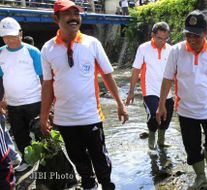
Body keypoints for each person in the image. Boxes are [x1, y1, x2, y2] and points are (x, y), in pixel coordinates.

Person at [40, 0, 128, 189]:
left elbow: (107, 75)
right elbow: (47, 85)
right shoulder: (47, 49)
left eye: (76, 14)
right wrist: (44, 115)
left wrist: (120, 104)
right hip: (64, 119)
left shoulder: (92, 43)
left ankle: (106, 184)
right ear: (56, 18)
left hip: (91, 116)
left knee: (100, 156)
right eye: (68, 14)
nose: (74, 18)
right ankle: (89, 183)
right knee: (77, 157)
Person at [156, 10, 207, 190]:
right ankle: (201, 177)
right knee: (191, 148)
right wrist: (161, 105)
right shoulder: (176, 51)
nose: (191, 39)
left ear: (205, 33)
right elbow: (167, 78)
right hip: (185, 110)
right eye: (188, 34)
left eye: (196, 35)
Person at [0, 17, 42, 172]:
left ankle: (45, 161)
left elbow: (44, 77)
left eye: (12, 36)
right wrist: (1, 100)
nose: (9, 40)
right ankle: (27, 160)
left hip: (34, 101)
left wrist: (48, 102)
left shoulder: (32, 51)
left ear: (21, 34)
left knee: (40, 133)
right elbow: (0, 78)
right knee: (19, 134)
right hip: (13, 103)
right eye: (5, 37)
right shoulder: (0, 53)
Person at [125, 22, 173, 150]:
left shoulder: (171, 50)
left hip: (167, 91)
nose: (162, 41)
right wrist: (131, 91)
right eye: (159, 38)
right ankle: (152, 138)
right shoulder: (143, 48)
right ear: (152, 35)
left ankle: (161, 141)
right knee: (153, 115)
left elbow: (176, 72)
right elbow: (136, 70)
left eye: (165, 39)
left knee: (166, 118)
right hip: (149, 90)